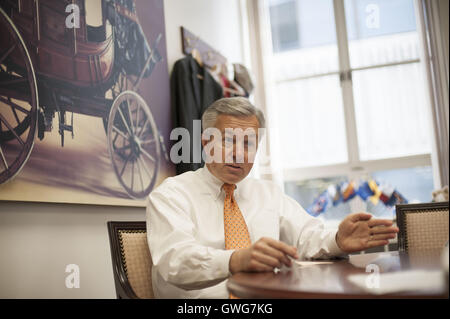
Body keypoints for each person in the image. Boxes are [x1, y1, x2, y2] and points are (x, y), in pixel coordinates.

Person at [146, 97, 399, 298]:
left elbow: (305, 237)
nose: (238, 154)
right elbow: (174, 261)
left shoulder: (267, 193)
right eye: (228, 141)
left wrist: (337, 240)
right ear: (205, 142)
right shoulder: (171, 195)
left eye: (249, 144)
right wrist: (236, 260)